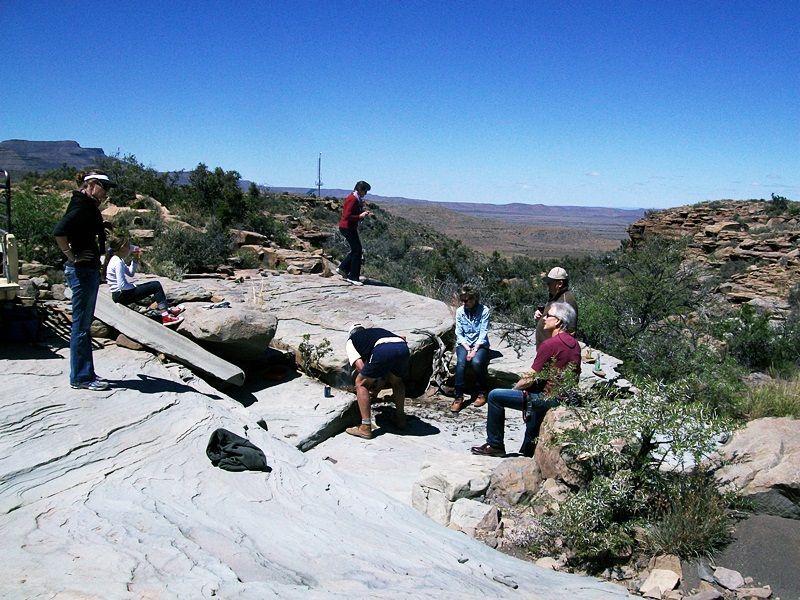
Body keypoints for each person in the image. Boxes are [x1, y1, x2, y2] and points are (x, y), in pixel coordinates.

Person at [471, 302, 580, 457]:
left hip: (548, 399)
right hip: (565, 399)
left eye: (548, 315)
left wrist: (514, 390)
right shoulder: (575, 345)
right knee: (534, 395)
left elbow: (529, 378)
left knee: (495, 396)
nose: (544, 318)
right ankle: (528, 450)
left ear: (558, 321)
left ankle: (495, 445)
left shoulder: (550, 344)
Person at [53, 170, 115, 391]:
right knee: (81, 326)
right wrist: (72, 256)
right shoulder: (81, 205)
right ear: (91, 184)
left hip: (87, 270)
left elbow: (80, 228)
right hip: (81, 271)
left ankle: (85, 373)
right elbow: (59, 231)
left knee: (83, 325)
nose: (106, 192)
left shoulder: (86, 205)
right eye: (104, 187)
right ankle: (81, 377)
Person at [345, 324, 409, 439]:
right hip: (402, 347)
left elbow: (361, 367)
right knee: (397, 381)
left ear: (351, 334)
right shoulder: (375, 332)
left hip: (383, 349)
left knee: (360, 383)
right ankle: (400, 419)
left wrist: (371, 387)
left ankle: (365, 427)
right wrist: (378, 385)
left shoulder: (351, 341)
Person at [105, 235, 184, 326]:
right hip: (120, 295)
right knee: (156, 286)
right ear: (122, 247)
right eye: (128, 246)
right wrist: (134, 286)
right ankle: (166, 317)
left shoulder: (118, 259)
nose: (130, 248)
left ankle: (167, 310)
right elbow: (121, 285)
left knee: (150, 287)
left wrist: (135, 259)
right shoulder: (117, 262)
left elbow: (130, 273)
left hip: (119, 294)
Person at [450, 284, 491, 413]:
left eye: (466, 300)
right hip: (464, 344)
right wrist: (468, 349)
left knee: (476, 362)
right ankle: (458, 396)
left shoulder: (484, 311)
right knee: (461, 363)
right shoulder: (460, 311)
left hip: (480, 344)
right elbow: (459, 333)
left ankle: (482, 392)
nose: (464, 303)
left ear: (474, 299)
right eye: (462, 300)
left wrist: (475, 349)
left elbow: (483, 332)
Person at [336, 181, 372, 286]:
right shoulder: (352, 199)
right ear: (360, 189)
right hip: (347, 227)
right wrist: (360, 216)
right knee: (357, 250)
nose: (366, 193)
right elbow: (347, 216)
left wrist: (362, 213)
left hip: (348, 227)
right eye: (365, 191)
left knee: (356, 249)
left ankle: (343, 268)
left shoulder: (355, 198)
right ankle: (353, 277)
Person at [534, 267, 578, 347]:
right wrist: (542, 315)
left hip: (554, 350)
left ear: (560, 284)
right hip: (546, 347)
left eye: (550, 283)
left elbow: (570, 332)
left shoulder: (566, 301)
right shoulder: (555, 296)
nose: (548, 286)